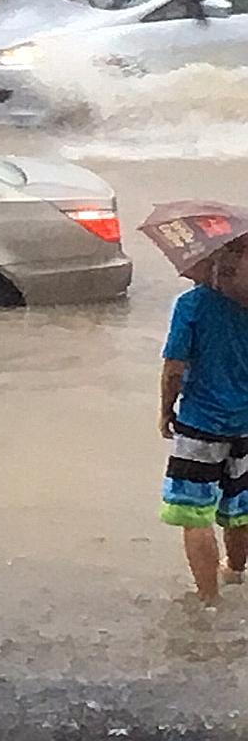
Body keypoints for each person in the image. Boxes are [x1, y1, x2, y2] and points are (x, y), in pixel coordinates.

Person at [158, 239, 248, 605]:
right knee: (241, 505)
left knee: (194, 512)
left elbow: (174, 368)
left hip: (200, 424)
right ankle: (236, 575)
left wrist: (166, 410)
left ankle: (208, 599)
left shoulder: (192, 304)